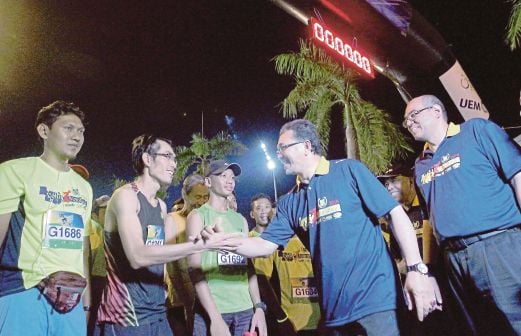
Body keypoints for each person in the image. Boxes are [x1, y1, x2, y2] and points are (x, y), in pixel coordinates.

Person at [202, 119, 439, 336]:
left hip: (376, 301)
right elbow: (263, 245)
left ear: (306, 146)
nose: (278, 154)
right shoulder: (289, 202)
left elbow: (395, 214)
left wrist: (417, 269)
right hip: (334, 312)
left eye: (282, 147)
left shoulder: (348, 171)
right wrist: (222, 242)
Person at [96, 135, 240, 336]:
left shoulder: (161, 206)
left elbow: (162, 255)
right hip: (126, 316)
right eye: (167, 156)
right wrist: (199, 245)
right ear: (147, 159)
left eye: (174, 158)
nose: (174, 164)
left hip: (157, 313)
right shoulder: (126, 196)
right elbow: (137, 257)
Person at [403, 94, 521, 335]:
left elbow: (518, 176)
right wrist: (428, 270)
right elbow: (429, 222)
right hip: (453, 260)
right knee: (478, 328)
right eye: (406, 121)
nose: (409, 123)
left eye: (413, 115)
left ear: (436, 111)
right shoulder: (420, 166)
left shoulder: (477, 131)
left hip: (498, 247)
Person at [0, 100, 93, 335]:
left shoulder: (84, 187)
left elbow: (81, 248)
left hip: (71, 298)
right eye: (68, 128)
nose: (77, 136)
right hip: (23, 292)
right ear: (44, 131)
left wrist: (86, 300)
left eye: (81, 131)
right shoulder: (14, 171)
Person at [187, 160, 267, 336]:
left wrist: (258, 307)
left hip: (245, 311)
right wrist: (215, 317)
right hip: (213, 310)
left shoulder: (241, 220)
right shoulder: (197, 216)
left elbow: (249, 267)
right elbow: (194, 269)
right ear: (208, 182)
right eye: (223, 176)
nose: (230, 181)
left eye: (232, 177)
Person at [248, 193, 320, 336]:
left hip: (320, 321)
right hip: (291, 324)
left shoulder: (312, 237)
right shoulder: (272, 242)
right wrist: (281, 318)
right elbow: (262, 280)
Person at [166, 174, 209, 335]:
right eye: (198, 197)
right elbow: (171, 264)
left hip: (206, 297)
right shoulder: (173, 219)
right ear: (185, 195)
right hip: (181, 299)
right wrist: (187, 298)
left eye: (206, 197)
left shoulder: (208, 219)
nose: (202, 201)